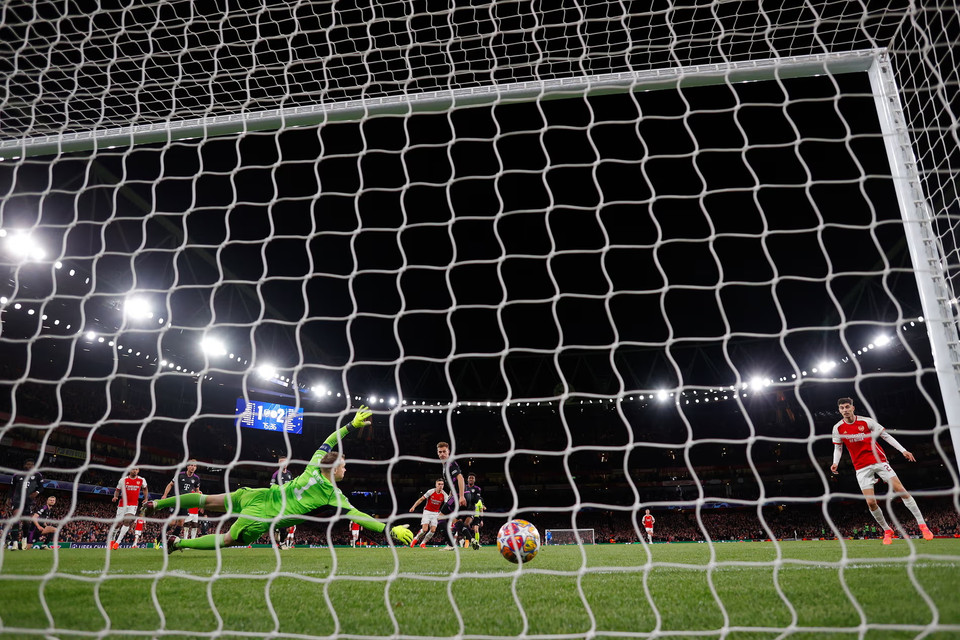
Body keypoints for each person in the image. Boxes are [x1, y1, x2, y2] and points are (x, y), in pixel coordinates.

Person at [142, 407, 413, 552]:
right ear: (334, 470)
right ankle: (179, 543)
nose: (346, 470)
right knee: (226, 540)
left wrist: (351, 427)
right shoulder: (333, 495)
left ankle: (158, 505)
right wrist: (389, 530)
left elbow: (329, 441)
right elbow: (360, 516)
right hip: (263, 516)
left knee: (206, 500)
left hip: (256, 494)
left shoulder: (315, 465)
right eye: (344, 466)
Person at [830, 397, 933, 545]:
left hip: (878, 460)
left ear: (853, 408)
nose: (845, 410)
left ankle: (923, 526)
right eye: (842, 408)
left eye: (847, 407)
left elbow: (885, 435)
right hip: (860, 467)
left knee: (901, 490)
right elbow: (838, 447)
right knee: (871, 502)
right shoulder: (838, 428)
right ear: (839, 410)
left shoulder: (867, 421)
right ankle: (887, 530)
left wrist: (903, 450)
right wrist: (835, 463)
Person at [6, 459, 44, 550]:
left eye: (32, 464)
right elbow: (12, 488)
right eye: (28, 464)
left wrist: (37, 492)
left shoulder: (38, 475)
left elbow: (42, 487)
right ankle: (15, 543)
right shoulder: (17, 474)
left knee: (26, 523)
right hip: (17, 500)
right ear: (24, 465)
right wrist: (8, 498)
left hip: (28, 501)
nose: (30, 466)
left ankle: (24, 539)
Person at [160, 459, 201, 539]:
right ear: (187, 466)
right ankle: (158, 538)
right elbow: (170, 484)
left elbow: (197, 491)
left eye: (195, 466)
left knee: (181, 523)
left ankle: (172, 541)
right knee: (172, 523)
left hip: (185, 503)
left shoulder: (196, 478)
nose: (193, 467)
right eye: (191, 465)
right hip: (176, 501)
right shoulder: (180, 475)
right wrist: (165, 495)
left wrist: (197, 502)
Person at [436, 441, 466, 549]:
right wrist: (450, 493)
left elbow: (460, 478)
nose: (442, 454)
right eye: (440, 452)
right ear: (437, 452)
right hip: (455, 495)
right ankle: (469, 538)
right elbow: (452, 482)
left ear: (448, 451)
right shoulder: (445, 465)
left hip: (459, 495)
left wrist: (461, 496)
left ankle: (450, 544)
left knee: (440, 517)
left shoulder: (450, 463)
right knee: (454, 519)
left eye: (444, 451)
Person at [111, 467, 148, 550]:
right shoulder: (123, 480)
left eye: (136, 469)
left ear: (138, 471)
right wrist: (115, 497)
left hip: (133, 505)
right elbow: (117, 490)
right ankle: (112, 537)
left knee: (127, 521)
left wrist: (146, 498)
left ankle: (117, 542)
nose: (135, 470)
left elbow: (145, 489)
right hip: (122, 505)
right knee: (118, 523)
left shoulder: (141, 480)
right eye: (133, 469)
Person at [408, 479, 447, 548]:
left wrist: (443, 513)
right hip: (427, 512)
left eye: (442, 484)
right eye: (439, 484)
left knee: (433, 530)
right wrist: (413, 507)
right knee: (425, 529)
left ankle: (423, 543)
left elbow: (447, 505)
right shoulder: (431, 491)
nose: (441, 486)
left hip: (435, 513)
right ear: (436, 485)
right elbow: (421, 499)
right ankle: (415, 539)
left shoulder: (444, 494)